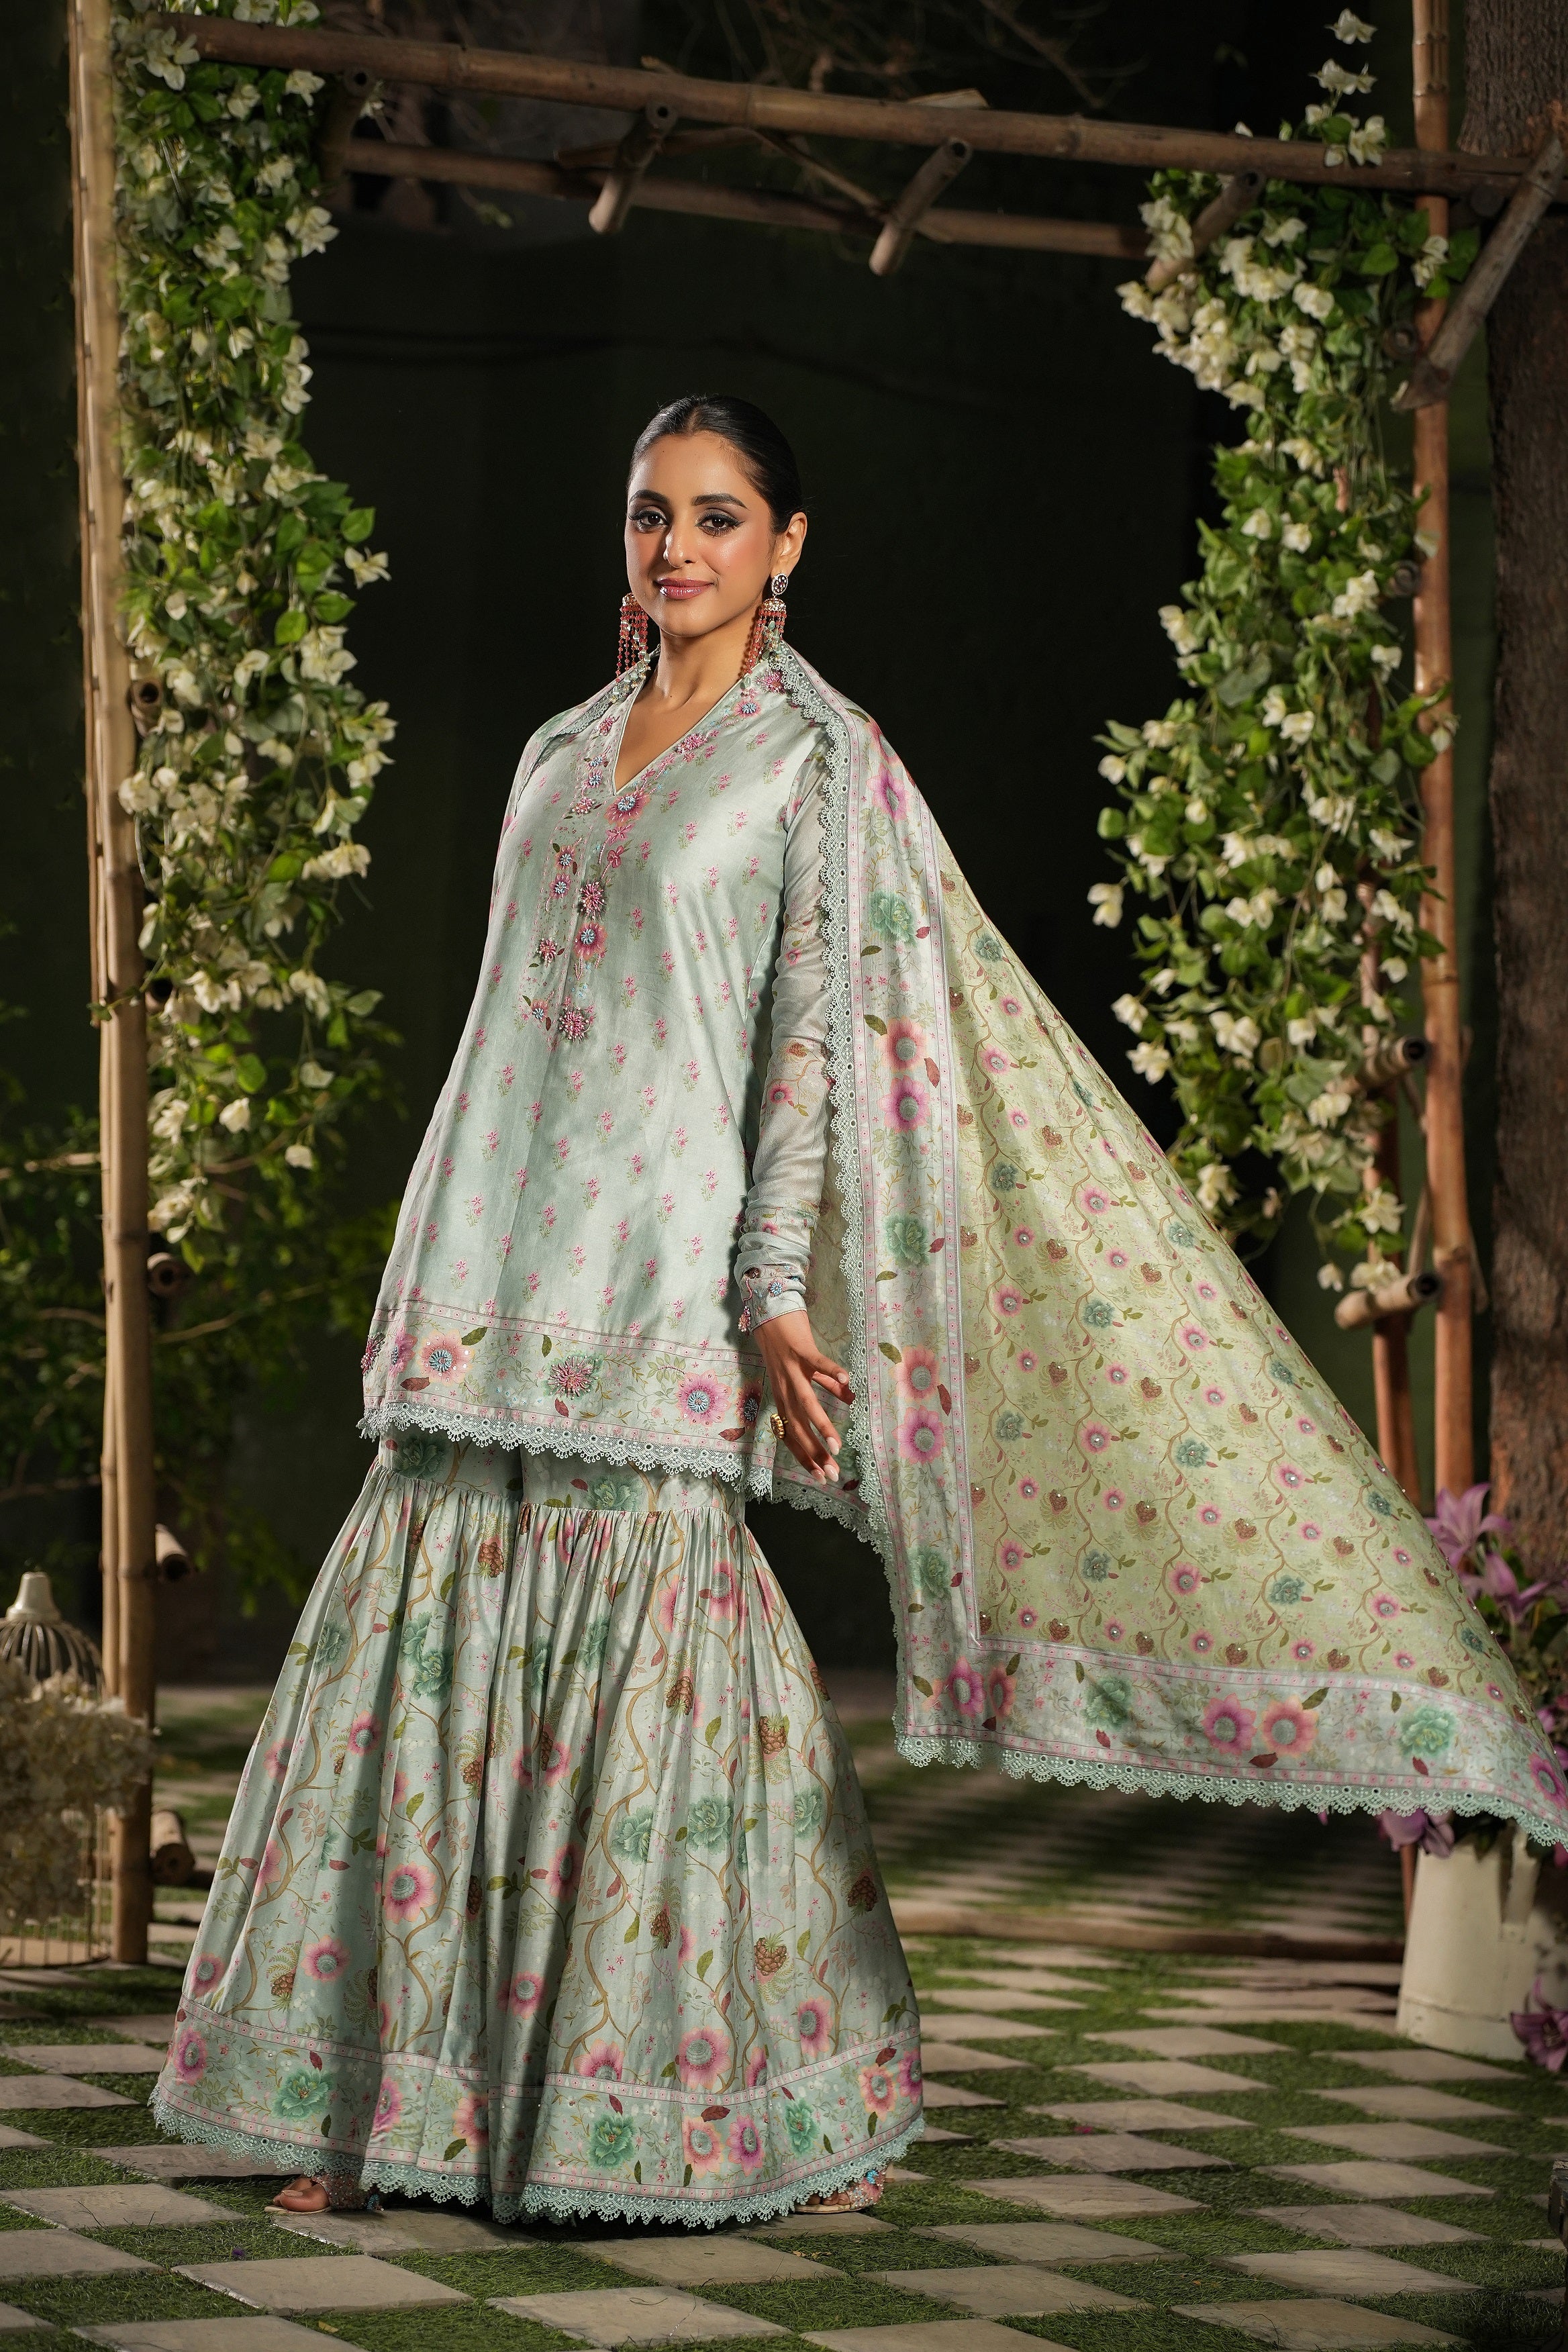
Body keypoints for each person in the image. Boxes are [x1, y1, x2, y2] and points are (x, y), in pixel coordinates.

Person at [154, 393, 1567, 2223]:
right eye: (651, 513)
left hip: (658, 1290)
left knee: (666, 1687)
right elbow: (504, 1020)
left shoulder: (816, 765)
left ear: (788, 544)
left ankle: (749, 2105)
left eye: (716, 517)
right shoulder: (554, 752)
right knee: (424, 1675)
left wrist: (765, 1290)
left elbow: (805, 1055)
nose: (676, 548)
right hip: (484, 1283)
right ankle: (387, 2115)